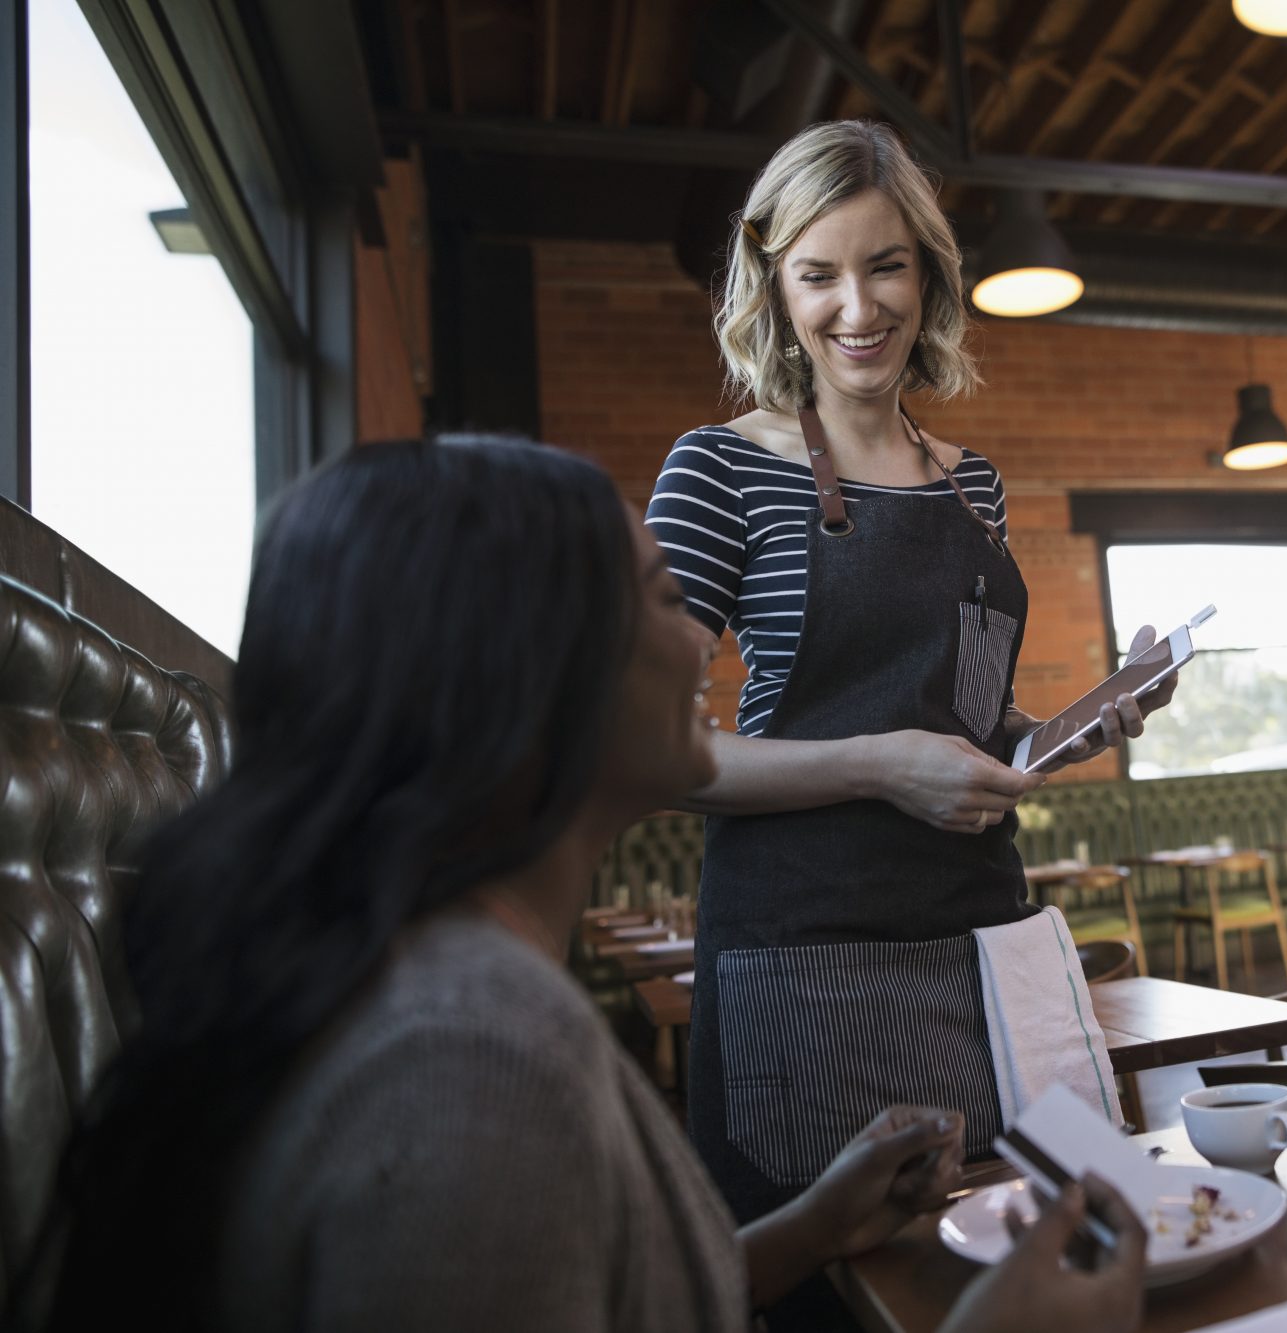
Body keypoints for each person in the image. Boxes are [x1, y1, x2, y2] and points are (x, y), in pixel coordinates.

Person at [20, 439, 1148, 1333]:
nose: (705, 645)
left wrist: (806, 1229)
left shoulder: (448, 987)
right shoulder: (465, 1060)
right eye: (663, 596)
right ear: (528, 671)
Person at [648, 119, 1176, 1226]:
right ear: (774, 286)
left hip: (990, 952)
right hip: (806, 968)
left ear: (929, 276)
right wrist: (878, 767)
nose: (858, 307)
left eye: (886, 265)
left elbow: (968, 723)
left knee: (1032, 1258)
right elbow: (653, 747)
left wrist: (1092, 717)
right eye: (818, 274)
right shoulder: (718, 468)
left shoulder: (969, 482)